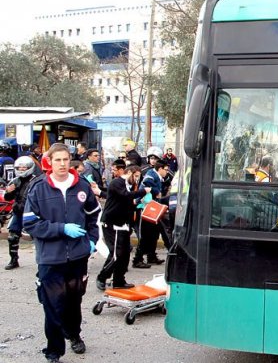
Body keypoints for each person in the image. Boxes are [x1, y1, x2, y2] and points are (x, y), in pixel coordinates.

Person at [23, 143, 100, 363]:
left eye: (66, 159)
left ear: (71, 160)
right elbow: (30, 223)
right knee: (52, 306)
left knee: (74, 302)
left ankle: (73, 334)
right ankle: (54, 350)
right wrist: (61, 228)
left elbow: (94, 216)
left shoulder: (82, 187)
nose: (63, 164)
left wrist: (92, 241)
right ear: (49, 161)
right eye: (57, 160)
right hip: (50, 259)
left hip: (77, 258)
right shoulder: (38, 187)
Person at [96, 161, 151, 291]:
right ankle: (102, 277)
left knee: (125, 253)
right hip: (111, 223)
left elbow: (126, 202)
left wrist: (138, 203)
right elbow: (124, 196)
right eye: (136, 176)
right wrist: (143, 192)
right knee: (116, 253)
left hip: (123, 223)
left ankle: (119, 280)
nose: (137, 179)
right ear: (129, 173)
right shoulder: (117, 183)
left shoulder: (128, 186)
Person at [132, 160, 169, 268]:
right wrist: (156, 191)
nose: (166, 172)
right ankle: (137, 259)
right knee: (146, 235)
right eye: (166, 170)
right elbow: (147, 182)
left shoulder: (157, 176)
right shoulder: (151, 174)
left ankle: (151, 256)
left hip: (152, 209)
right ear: (160, 169)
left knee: (154, 234)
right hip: (145, 209)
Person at [3, 156, 38, 270]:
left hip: (32, 212)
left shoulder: (36, 180)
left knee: (40, 236)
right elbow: (7, 197)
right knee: (12, 236)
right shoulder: (15, 180)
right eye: (20, 167)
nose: (22, 169)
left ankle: (45, 260)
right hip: (18, 212)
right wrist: (9, 192)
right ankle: (14, 260)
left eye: (24, 167)